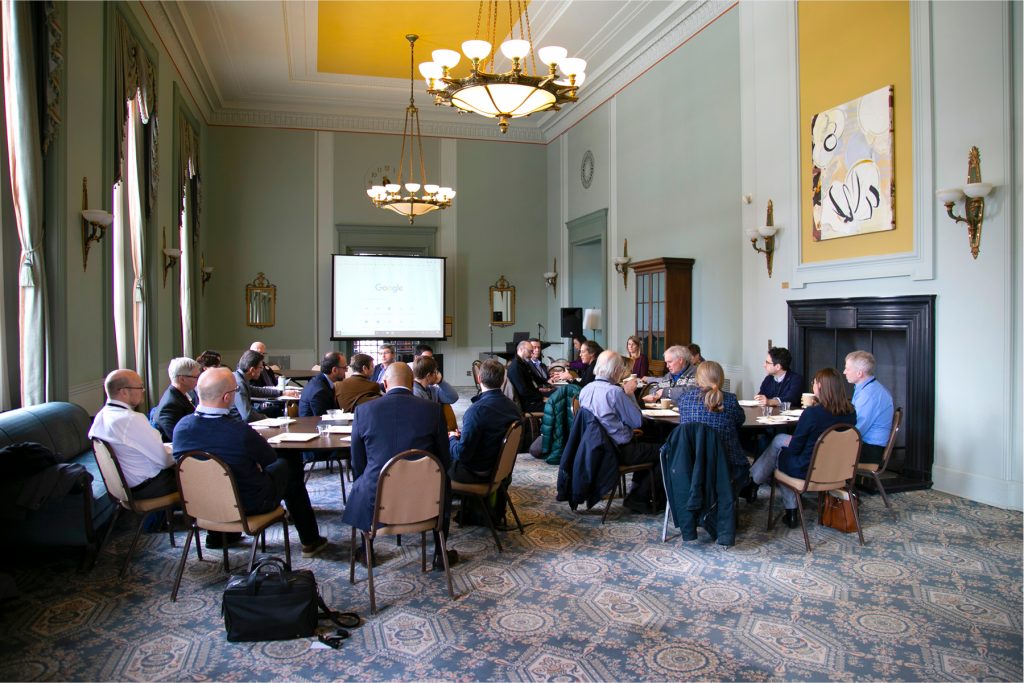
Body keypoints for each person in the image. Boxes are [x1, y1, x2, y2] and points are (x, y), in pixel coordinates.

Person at [173, 368, 328, 556]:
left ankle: (217, 536)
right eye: (236, 390)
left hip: (200, 506)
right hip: (248, 504)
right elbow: (270, 459)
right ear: (227, 397)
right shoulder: (239, 432)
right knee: (289, 465)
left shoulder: (180, 429)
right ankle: (310, 540)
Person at [343, 363, 456, 569]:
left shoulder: (364, 411)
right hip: (425, 496)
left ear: (384, 384)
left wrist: (366, 479)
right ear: (412, 383)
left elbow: (357, 462)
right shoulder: (433, 410)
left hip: (377, 495)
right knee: (444, 482)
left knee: (361, 483)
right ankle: (440, 553)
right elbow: (443, 460)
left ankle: (367, 551)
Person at [749, 367, 856, 528]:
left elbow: (795, 448)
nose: (812, 385)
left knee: (780, 454)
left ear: (820, 387)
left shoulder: (812, 414)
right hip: (837, 469)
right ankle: (754, 482)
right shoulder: (851, 412)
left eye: (814, 382)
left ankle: (788, 509)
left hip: (807, 469)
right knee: (779, 440)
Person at [578, 350, 662, 513]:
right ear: (616, 370)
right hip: (620, 451)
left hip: (598, 449)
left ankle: (637, 493)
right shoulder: (615, 392)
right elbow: (637, 421)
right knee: (668, 450)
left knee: (647, 447)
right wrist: (629, 394)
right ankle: (639, 497)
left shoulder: (585, 390)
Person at [89, 369, 177, 499]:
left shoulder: (101, 415)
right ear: (124, 391)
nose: (143, 391)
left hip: (123, 486)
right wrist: (181, 451)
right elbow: (164, 461)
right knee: (197, 475)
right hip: (148, 486)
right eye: (140, 387)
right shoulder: (131, 419)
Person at [676, 361, 751, 492]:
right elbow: (740, 421)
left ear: (698, 379)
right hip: (727, 463)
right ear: (721, 378)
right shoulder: (730, 400)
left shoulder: (684, 399)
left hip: (692, 461)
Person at [449, 359, 522, 484]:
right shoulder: (514, 408)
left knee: (440, 458)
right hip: (501, 469)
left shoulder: (476, 411)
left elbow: (462, 454)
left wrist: (452, 439)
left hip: (478, 472)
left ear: (479, 379)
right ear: (503, 380)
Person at [843, 350, 894, 465]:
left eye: (847, 368)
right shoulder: (867, 388)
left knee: (821, 448)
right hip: (866, 445)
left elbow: (857, 429)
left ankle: (832, 482)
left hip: (870, 450)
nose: (844, 372)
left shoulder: (869, 395)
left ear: (859, 373)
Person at [151, 357, 200, 441]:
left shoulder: (180, 395)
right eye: (196, 377)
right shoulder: (170, 405)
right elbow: (178, 438)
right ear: (182, 379)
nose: (198, 380)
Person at [245, 341, 298, 417]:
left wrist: (280, 385)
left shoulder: (266, 368)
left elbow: (274, 384)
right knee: (276, 410)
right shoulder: (249, 373)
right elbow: (256, 391)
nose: (261, 356)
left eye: (263, 354)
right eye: (259, 353)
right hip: (261, 401)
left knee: (295, 401)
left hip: (273, 396)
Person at [299, 351, 347, 417]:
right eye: (344, 368)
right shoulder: (320, 391)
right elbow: (323, 420)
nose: (346, 371)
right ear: (334, 370)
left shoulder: (321, 382)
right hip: (312, 426)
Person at [506, 340, 547, 413]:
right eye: (530, 351)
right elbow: (523, 391)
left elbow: (535, 379)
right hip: (527, 404)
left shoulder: (523, 363)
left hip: (532, 399)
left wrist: (547, 382)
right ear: (521, 350)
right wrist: (541, 398)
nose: (532, 354)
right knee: (557, 407)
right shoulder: (515, 367)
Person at [231, 350, 270, 423]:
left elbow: (256, 391)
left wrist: (280, 393)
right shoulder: (239, 383)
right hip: (237, 424)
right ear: (252, 370)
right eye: (260, 368)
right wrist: (266, 419)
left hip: (237, 421)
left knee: (273, 410)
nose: (262, 371)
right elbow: (247, 416)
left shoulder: (238, 377)